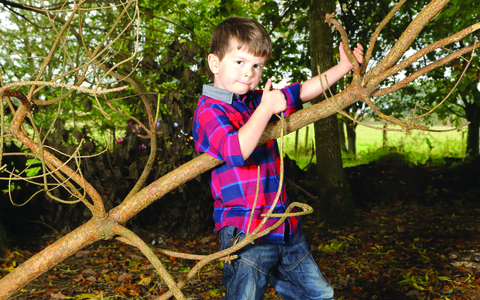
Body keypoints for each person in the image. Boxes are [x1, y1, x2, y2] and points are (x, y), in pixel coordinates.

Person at [193, 16, 363, 300]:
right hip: (246, 231)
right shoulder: (209, 110)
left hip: (284, 226)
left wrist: (343, 67)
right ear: (214, 63)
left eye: (257, 66)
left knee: (319, 295)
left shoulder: (256, 100)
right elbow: (236, 151)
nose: (249, 72)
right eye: (239, 62)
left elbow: (301, 92)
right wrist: (267, 108)